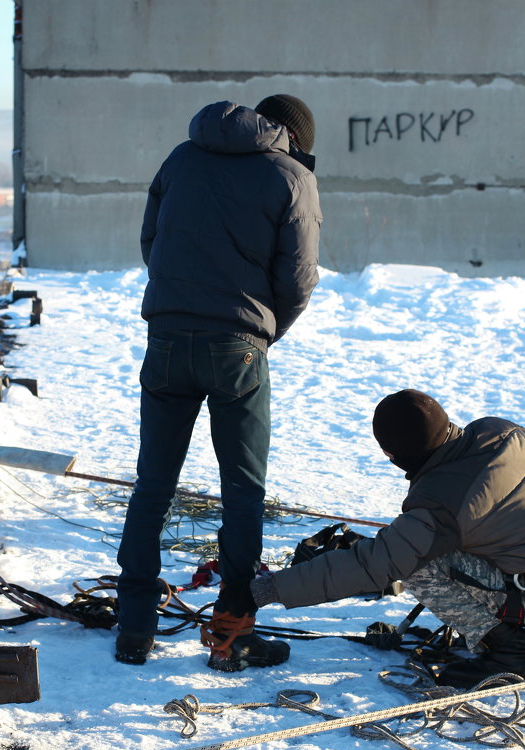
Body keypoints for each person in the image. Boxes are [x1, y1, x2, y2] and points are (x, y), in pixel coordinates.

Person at [115, 95, 323, 671]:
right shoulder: (292, 176)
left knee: (152, 485)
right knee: (242, 491)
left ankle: (134, 627)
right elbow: (299, 278)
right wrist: (262, 332)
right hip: (239, 346)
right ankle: (232, 627)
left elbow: (151, 241)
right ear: (295, 137)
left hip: (166, 336)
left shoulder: (183, 156)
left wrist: (179, 301)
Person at [238, 389, 525, 688]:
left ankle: (511, 651)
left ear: (396, 455)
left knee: (418, 564)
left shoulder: (439, 504)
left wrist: (268, 590)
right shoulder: (498, 431)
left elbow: (375, 563)